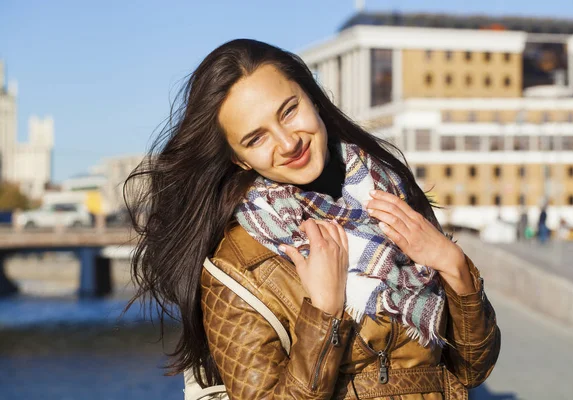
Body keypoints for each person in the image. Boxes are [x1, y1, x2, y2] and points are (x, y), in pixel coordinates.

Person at [125, 39, 500, 399]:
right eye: (257, 138)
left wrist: (454, 267)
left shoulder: (390, 195)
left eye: (289, 111)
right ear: (240, 159)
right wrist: (322, 314)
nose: (288, 143)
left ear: (312, 98)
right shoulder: (238, 266)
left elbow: (468, 371)